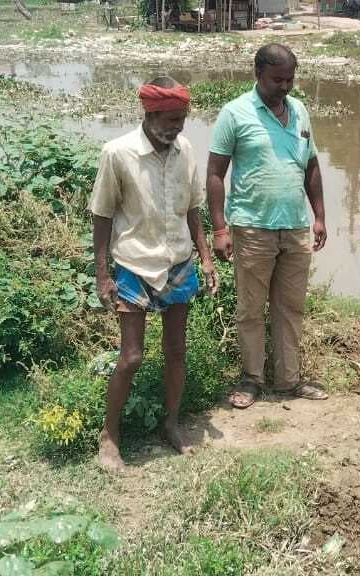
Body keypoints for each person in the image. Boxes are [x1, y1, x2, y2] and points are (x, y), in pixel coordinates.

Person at [90, 77, 218, 471]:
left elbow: (193, 208)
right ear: (149, 114)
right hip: (133, 266)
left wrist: (206, 257)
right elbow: (102, 214)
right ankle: (109, 435)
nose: (177, 127)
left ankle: (172, 423)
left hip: (178, 264)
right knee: (131, 356)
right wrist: (102, 275)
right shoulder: (118, 153)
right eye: (170, 119)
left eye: (182, 119)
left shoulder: (186, 151)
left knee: (176, 351)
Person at [207, 43, 328, 409]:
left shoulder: (300, 111)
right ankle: (251, 379)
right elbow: (215, 174)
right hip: (251, 227)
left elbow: (312, 166)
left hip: (295, 228)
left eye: (290, 79)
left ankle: (288, 380)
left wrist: (319, 216)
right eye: (278, 79)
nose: (285, 87)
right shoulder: (235, 113)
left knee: (290, 306)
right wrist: (219, 229)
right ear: (257, 73)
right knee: (250, 308)